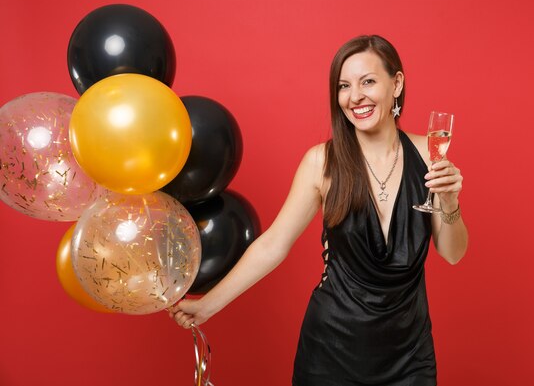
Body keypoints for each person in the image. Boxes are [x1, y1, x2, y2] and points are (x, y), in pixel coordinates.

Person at [169, 35, 468, 385]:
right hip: (332, 351)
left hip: (409, 355)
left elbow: (452, 253)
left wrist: (450, 202)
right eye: (344, 86)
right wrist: (207, 306)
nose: (354, 96)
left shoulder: (430, 154)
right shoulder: (321, 162)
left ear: (397, 84)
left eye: (368, 81)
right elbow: (273, 245)